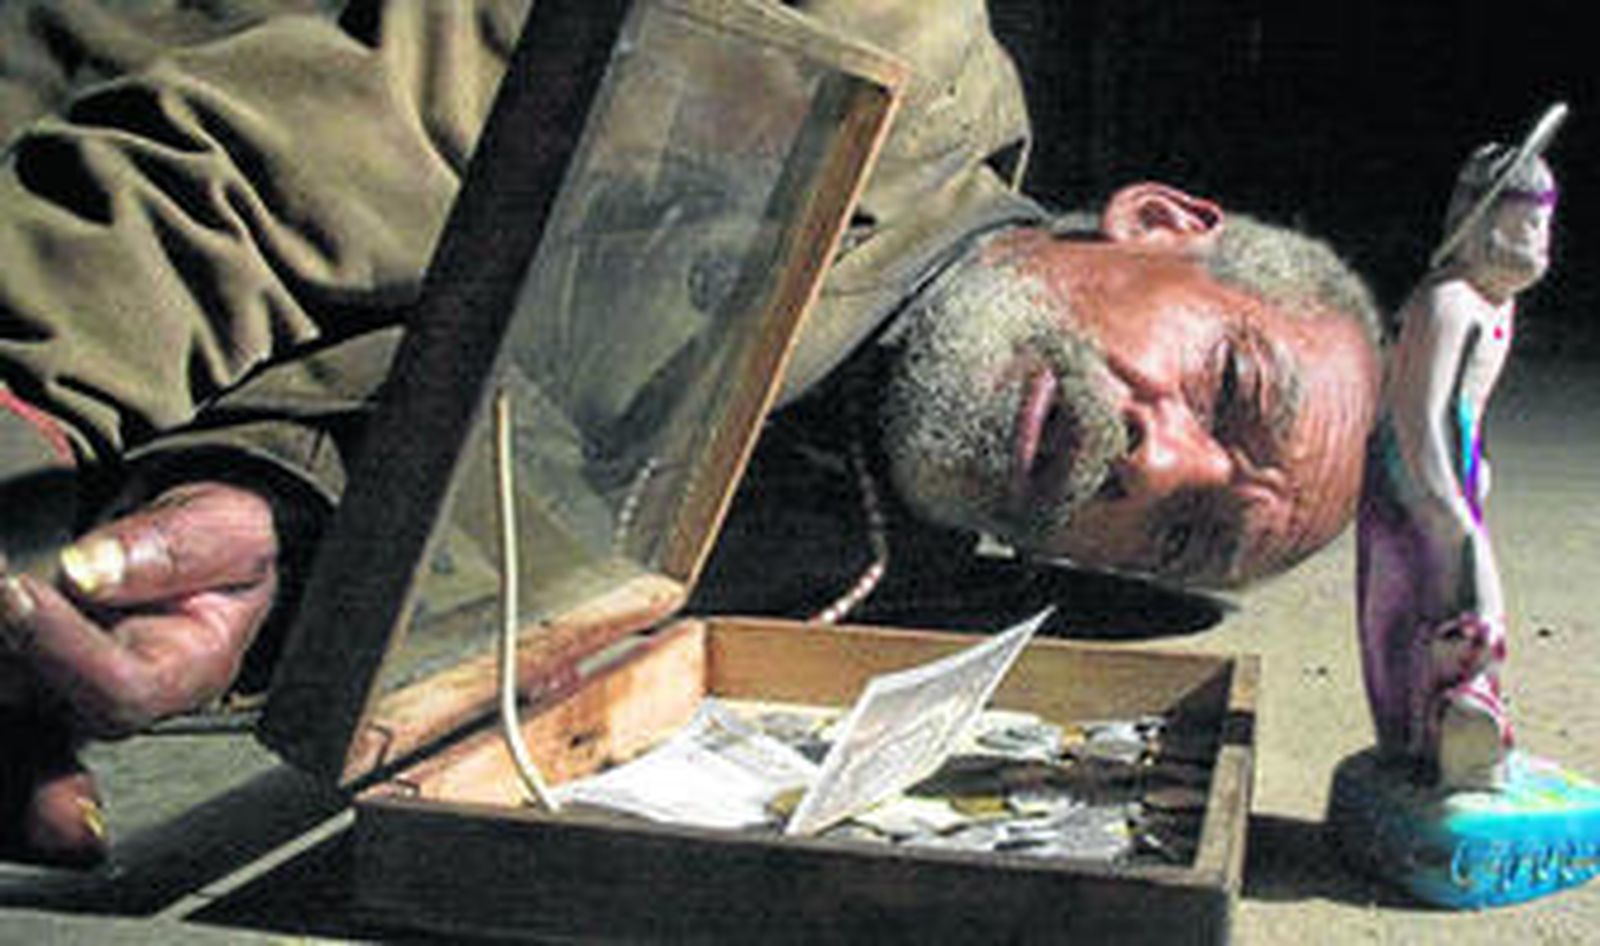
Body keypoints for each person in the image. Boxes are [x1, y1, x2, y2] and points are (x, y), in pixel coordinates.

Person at [0, 0, 1379, 865]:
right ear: (1159, 221)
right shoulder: (874, 42)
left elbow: (479, 393)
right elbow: (277, 166)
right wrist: (20, 439)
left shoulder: (859, 534)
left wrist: (277, 515)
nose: (1154, 460)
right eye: (1226, 385)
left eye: (1184, 532)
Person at [1357, 107, 1564, 790]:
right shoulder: (1447, 303)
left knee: (1459, 606)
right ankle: (1431, 730)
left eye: (1545, 225)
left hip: (1457, 464)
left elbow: (1466, 408)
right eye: (1527, 225)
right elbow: (1417, 412)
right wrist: (1441, 500)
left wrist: (1477, 471)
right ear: (1485, 224)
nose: (1540, 241)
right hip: (1414, 475)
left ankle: (1458, 728)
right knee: (1450, 603)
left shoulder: (1495, 304)